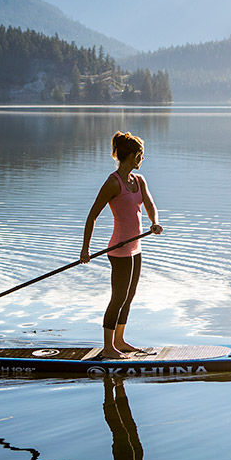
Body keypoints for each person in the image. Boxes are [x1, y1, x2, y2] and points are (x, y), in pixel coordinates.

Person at [82, 131, 163, 358]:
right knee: (118, 298)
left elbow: (150, 204)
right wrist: (85, 249)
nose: (142, 159)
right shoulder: (112, 183)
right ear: (131, 156)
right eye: (140, 155)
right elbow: (92, 216)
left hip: (135, 248)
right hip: (119, 249)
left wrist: (154, 222)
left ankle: (119, 340)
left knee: (129, 296)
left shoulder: (139, 181)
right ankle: (108, 348)